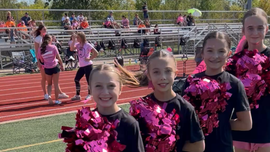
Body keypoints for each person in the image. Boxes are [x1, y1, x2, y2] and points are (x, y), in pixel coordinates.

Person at [115, 50, 205, 152]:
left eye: (167, 71)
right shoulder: (140, 107)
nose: (163, 77)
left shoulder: (185, 108)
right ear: (149, 75)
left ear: (175, 73)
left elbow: (198, 146)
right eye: (156, 72)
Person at [189, 31, 252, 152]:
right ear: (202, 53)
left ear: (229, 54)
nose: (215, 56)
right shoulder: (191, 81)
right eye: (210, 51)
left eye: (221, 51)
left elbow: (246, 124)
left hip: (222, 147)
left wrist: (217, 123)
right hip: (194, 147)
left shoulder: (234, 84)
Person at [228, 8, 270, 152]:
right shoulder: (234, 62)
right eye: (250, 28)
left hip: (266, 129)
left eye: (260, 28)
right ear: (243, 31)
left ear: (267, 29)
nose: (255, 33)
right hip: (242, 131)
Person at [34, 25, 68, 100]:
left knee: (53, 79)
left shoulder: (46, 37)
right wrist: (38, 61)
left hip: (47, 60)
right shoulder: (37, 39)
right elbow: (36, 51)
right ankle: (45, 93)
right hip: (43, 60)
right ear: (40, 30)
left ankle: (59, 92)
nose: (45, 29)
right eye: (44, 29)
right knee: (44, 78)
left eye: (46, 28)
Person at [70, 32, 98, 101]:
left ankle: (90, 94)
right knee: (76, 79)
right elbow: (71, 49)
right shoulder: (78, 45)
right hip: (82, 66)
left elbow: (96, 52)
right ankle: (77, 95)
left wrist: (90, 58)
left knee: (89, 81)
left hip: (88, 65)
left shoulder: (87, 45)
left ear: (81, 38)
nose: (77, 39)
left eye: (78, 38)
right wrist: (73, 41)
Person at [38, 34, 64, 104]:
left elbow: (41, 60)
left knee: (49, 84)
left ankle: (49, 96)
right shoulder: (53, 47)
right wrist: (61, 65)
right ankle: (56, 100)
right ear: (49, 40)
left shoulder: (40, 49)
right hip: (55, 66)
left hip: (47, 68)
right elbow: (58, 57)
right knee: (56, 84)